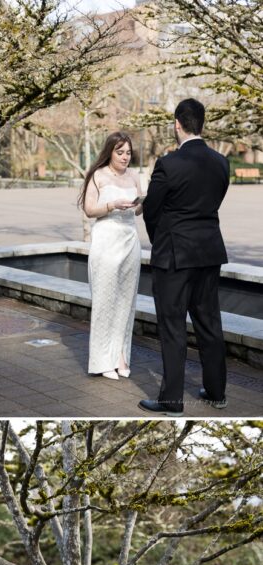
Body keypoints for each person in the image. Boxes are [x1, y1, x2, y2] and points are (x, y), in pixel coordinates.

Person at [139, 98, 230, 416]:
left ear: (177, 124)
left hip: (175, 256)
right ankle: (217, 392)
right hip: (209, 252)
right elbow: (214, 202)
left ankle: (171, 401)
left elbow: (151, 209)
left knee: (173, 326)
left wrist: (160, 241)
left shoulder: (168, 163)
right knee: (209, 323)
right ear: (201, 124)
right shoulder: (221, 163)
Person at [79, 132, 143, 381]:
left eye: (128, 152)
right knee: (105, 302)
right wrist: (112, 205)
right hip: (106, 241)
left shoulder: (135, 176)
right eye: (120, 152)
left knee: (126, 302)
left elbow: (138, 212)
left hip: (129, 241)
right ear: (110, 152)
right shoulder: (98, 175)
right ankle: (101, 360)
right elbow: (89, 209)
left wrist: (139, 204)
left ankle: (120, 356)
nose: (125, 157)